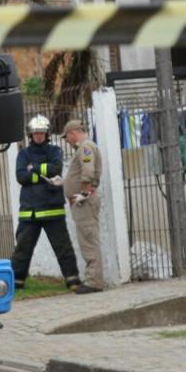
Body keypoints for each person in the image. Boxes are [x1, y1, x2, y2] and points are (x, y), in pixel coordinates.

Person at [11, 115, 80, 290]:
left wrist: (33, 168)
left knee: (63, 248)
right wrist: (43, 173)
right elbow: (21, 177)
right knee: (22, 250)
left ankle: (72, 280)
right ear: (30, 135)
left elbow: (55, 168)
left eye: (42, 133)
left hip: (52, 209)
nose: (39, 136)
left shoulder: (55, 151)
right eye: (36, 133)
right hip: (30, 211)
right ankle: (16, 283)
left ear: (47, 134)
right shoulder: (23, 154)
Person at [62, 119, 104, 294]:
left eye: (67, 137)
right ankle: (93, 279)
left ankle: (94, 281)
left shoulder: (85, 147)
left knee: (88, 239)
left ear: (73, 133)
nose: (67, 141)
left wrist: (84, 194)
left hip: (84, 202)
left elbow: (88, 171)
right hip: (81, 201)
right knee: (87, 238)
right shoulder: (83, 148)